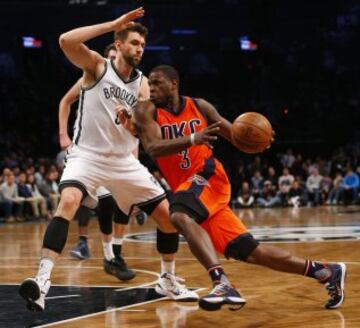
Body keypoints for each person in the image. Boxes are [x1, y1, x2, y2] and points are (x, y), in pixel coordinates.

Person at [126, 64, 346, 311]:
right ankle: (326, 271)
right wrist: (192, 138)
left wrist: (258, 141)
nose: (151, 88)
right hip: (193, 191)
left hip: (208, 177)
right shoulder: (146, 110)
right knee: (251, 252)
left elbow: (237, 136)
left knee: (178, 213)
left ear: (174, 84)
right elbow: (154, 148)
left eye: (157, 83)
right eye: (150, 84)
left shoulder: (200, 107)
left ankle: (221, 283)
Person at [19, 9, 198, 312]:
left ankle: (167, 279)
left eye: (143, 44)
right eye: (134, 43)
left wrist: (129, 121)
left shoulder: (142, 84)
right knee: (68, 202)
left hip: (123, 160)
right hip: (87, 156)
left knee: (171, 218)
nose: (140, 48)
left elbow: (138, 131)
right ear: (119, 43)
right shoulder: (97, 67)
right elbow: (65, 41)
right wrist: (111, 25)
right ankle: (42, 283)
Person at [59, 42, 144, 282]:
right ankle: (85, 243)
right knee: (83, 198)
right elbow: (65, 102)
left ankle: (112, 254)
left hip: (116, 154)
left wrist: (134, 159)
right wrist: (63, 135)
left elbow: (133, 130)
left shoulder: (132, 86)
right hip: (87, 150)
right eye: (112, 57)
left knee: (114, 203)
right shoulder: (94, 74)